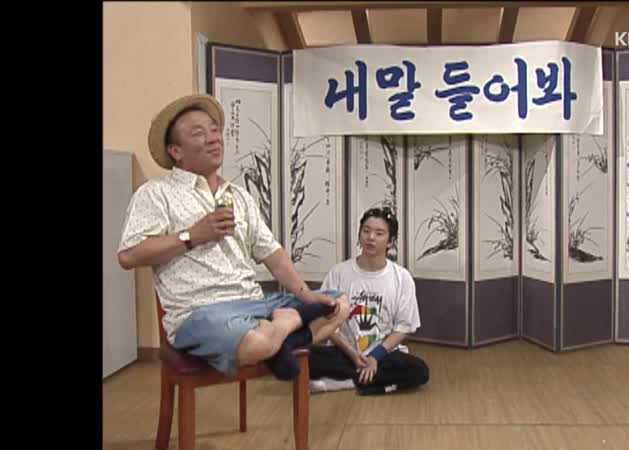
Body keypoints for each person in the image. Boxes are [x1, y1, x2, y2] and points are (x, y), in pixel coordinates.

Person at [117, 93, 350, 380]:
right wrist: (191, 235)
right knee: (257, 341)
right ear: (176, 151)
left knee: (339, 304)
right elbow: (129, 255)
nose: (214, 139)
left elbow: (272, 254)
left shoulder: (238, 195)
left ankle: (279, 338)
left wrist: (305, 294)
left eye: (215, 130)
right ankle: (282, 332)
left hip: (255, 304)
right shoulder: (156, 193)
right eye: (199, 133)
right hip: (201, 313)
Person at [309, 207, 429, 395]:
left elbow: (403, 327)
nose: (371, 237)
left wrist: (375, 357)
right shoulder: (339, 273)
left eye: (379, 233)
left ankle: (344, 382)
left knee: (419, 371)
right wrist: (352, 353)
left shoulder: (402, 278)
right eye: (366, 231)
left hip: (384, 353)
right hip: (344, 351)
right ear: (359, 234)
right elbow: (326, 321)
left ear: (390, 241)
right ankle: (369, 382)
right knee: (303, 357)